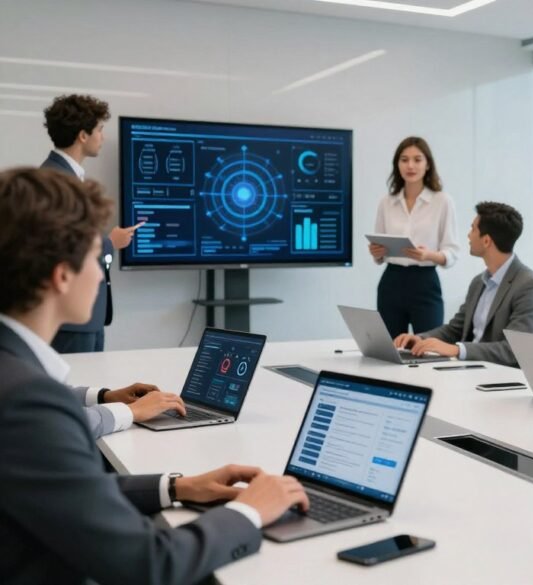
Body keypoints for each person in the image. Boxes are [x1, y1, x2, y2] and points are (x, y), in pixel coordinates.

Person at [0, 167, 308, 584]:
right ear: (62, 275)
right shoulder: (28, 402)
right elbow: (150, 564)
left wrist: (176, 487)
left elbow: (60, 492)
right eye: (97, 259)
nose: (102, 273)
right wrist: (249, 511)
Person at [41, 93, 143, 353]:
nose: (103, 137)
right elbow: (61, 248)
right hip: (71, 322)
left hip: (85, 319)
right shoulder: (56, 181)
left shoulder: (63, 177)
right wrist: (110, 243)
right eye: (99, 130)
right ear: (83, 136)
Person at [393, 202, 533, 367]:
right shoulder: (479, 282)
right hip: (469, 368)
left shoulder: (529, 286)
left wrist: (457, 350)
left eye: (473, 229)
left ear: (486, 241)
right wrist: (420, 339)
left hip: (499, 373)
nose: (468, 235)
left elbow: (513, 350)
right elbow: (456, 329)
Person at [369, 137, 459, 338]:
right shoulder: (386, 202)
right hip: (391, 281)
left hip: (425, 283)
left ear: (428, 165)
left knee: (428, 347)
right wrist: (376, 252)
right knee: (389, 349)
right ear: (397, 164)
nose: (410, 165)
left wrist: (428, 255)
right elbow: (378, 253)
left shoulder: (442, 201)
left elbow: (452, 252)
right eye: (404, 160)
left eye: (417, 160)